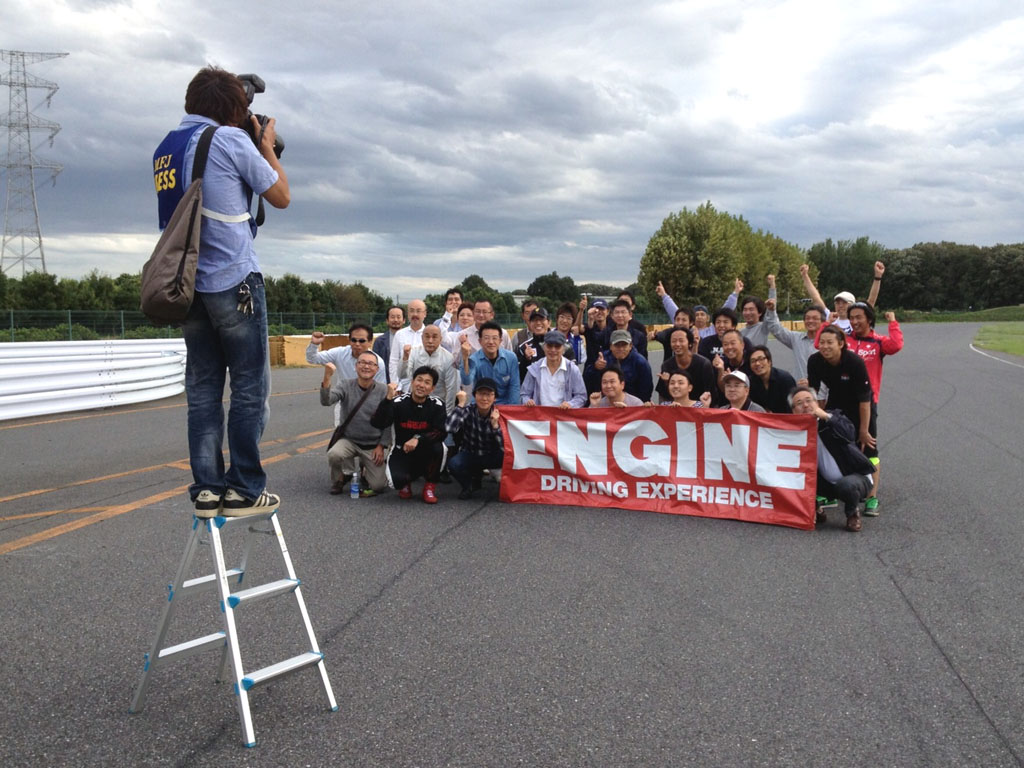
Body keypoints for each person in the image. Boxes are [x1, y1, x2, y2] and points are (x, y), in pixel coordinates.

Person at [156, 67, 289, 517]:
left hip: (186, 285)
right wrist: (264, 145)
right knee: (249, 388)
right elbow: (281, 195)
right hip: (234, 281)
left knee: (203, 390)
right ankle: (245, 488)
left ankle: (208, 489)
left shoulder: (165, 148)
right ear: (234, 108)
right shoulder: (231, 140)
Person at [844, 301, 903, 516]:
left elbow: (895, 345)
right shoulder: (844, 340)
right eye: (851, 318)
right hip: (842, 402)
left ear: (869, 319)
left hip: (867, 403)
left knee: (869, 448)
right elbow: (820, 345)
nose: (854, 321)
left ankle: (872, 498)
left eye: (859, 317)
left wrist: (893, 323)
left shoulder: (878, 342)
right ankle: (846, 490)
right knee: (842, 446)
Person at [790, 386, 875, 532]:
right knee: (791, 477)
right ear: (793, 411)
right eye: (799, 403)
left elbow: (849, 434)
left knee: (846, 485)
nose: (805, 405)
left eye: (809, 400)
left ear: (817, 403)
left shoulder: (832, 417)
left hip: (856, 477)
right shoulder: (795, 432)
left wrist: (826, 417)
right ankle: (815, 509)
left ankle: (853, 513)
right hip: (826, 483)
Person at [370, 367, 448, 503]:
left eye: (427, 382)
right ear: (412, 382)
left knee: (440, 447)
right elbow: (378, 423)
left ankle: (429, 485)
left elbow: (441, 432)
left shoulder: (437, 404)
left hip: (426, 449)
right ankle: (406, 482)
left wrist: (418, 439)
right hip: (402, 449)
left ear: (432, 388)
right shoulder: (398, 402)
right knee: (395, 482)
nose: (421, 385)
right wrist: (387, 400)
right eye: (419, 380)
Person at [319, 352, 391, 496]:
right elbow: (326, 401)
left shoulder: (384, 390)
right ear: (356, 366)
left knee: (378, 486)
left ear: (377, 369)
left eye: (371, 364)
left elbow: (388, 422)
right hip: (349, 440)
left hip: (372, 444)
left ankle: (364, 470)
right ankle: (340, 478)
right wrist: (327, 377)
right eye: (362, 362)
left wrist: (381, 445)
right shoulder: (346, 385)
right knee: (334, 454)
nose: (366, 366)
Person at [806, 326, 874, 456]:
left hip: (860, 403)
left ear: (841, 344)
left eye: (829, 342)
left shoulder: (855, 362)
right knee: (833, 442)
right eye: (822, 342)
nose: (825, 346)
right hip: (835, 399)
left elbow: (865, 400)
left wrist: (864, 431)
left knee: (867, 448)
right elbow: (812, 391)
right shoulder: (814, 361)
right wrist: (812, 412)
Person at [306, 324, 387, 426]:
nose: (357, 344)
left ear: (370, 342)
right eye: (353, 340)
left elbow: (379, 392)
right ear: (349, 340)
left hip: (368, 408)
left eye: (362, 341)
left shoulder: (378, 363)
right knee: (341, 434)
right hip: (344, 406)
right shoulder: (340, 353)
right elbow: (312, 359)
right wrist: (314, 344)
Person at [446, 378, 505, 499]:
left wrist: (495, 426)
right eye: (481, 394)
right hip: (471, 453)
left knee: (510, 457)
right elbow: (449, 427)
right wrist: (460, 404)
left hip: (492, 455)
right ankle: (469, 485)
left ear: (495, 397)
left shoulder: (500, 414)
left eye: (489, 394)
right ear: (475, 395)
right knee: (454, 464)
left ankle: (505, 485)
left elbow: (505, 446)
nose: (484, 398)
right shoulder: (468, 410)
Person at [799, 261, 883, 333]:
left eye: (844, 303)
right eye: (837, 303)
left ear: (852, 305)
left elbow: (871, 300)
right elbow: (816, 298)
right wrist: (805, 276)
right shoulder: (830, 318)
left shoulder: (857, 322)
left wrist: (878, 277)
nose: (840, 306)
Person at [397, 324, 459, 415]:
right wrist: (405, 358)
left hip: (438, 405)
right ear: (422, 338)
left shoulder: (448, 358)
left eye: (434, 337)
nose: (430, 341)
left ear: (440, 339)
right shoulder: (413, 352)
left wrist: (448, 413)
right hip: (415, 401)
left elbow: (451, 388)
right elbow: (402, 375)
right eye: (427, 337)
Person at [763, 297, 826, 386]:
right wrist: (771, 311)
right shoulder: (796, 338)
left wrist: (813, 382)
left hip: (821, 391)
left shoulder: (827, 343)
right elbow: (776, 329)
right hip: (799, 389)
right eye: (807, 318)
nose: (810, 321)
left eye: (815, 318)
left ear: (822, 322)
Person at [521, 331, 587, 408]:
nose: (553, 350)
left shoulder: (572, 369)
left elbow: (581, 396)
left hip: (564, 414)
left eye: (557, 346)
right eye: (549, 346)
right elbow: (524, 394)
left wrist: (570, 404)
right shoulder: (534, 369)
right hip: (540, 415)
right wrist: (527, 401)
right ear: (544, 347)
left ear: (564, 348)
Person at [584, 329, 653, 402]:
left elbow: (646, 389)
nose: (621, 349)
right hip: (606, 400)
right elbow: (587, 381)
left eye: (624, 345)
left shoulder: (641, 362)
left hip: (632, 403)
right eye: (617, 345)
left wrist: (639, 404)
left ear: (630, 346)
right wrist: (595, 368)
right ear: (611, 346)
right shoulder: (603, 358)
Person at [461, 321, 521, 405]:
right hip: (481, 404)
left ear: (500, 341)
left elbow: (514, 386)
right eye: (486, 338)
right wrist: (465, 358)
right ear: (480, 341)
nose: (491, 342)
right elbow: (466, 381)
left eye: (494, 338)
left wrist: (512, 409)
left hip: (504, 403)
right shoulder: (474, 359)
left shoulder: (511, 358)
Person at [656, 327, 715, 403]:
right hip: (676, 406)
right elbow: (664, 398)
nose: (677, 344)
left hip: (700, 406)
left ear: (690, 343)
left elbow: (711, 393)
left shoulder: (703, 364)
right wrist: (666, 382)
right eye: (673, 341)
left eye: (681, 341)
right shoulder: (667, 365)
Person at [388, 299, 428, 391]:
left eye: (418, 311)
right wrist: (395, 385)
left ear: (425, 314)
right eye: (412, 311)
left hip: (424, 386)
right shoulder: (399, 334)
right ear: (408, 314)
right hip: (402, 387)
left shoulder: (429, 335)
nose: (415, 314)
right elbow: (394, 361)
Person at [747, 345, 796, 414]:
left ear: (769, 361)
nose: (757, 363)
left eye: (761, 359)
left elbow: (793, 406)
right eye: (753, 361)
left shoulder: (785, 379)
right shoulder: (750, 382)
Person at [711, 329, 752, 406]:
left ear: (742, 345)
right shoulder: (722, 363)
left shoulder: (751, 362)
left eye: (733, 343)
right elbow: (723, 391)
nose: (729, 347)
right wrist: (720, 370)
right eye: (725, 344)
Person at [373, 306, 405, 384]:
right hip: (385, 383)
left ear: (404, 320)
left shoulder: (410, 339)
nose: (395, 320)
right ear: (387, 320)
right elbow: (375, 364)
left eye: (398, 317)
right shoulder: (379, 341)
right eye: (392, 317)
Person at [555, 300, 588, 370]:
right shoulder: (548, 336)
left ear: (573, 322)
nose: (565, 321)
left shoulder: (575, 339)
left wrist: (576, 338)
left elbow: (581, 359)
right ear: (557, 318)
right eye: (562, 317)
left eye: (568, 318)